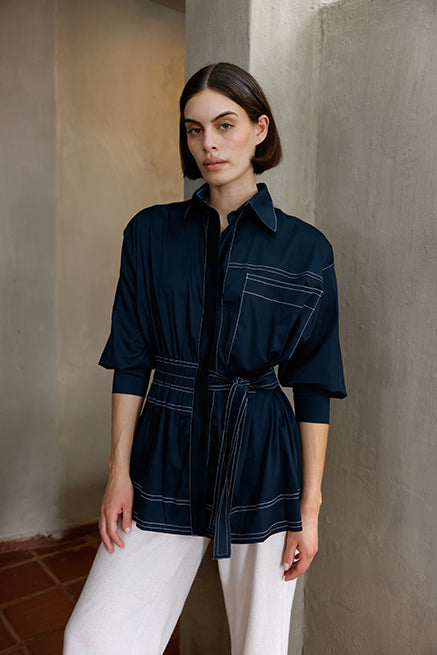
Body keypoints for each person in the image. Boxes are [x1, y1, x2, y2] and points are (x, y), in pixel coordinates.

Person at [63, 61, 347, 655]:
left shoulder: (306, 250)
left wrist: (310, 507)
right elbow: (131, 360)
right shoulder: (149, 234)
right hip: (163, 450)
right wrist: (119, 472)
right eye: (194, 130)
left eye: (225, 124)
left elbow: (314, 384)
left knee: (259, 644)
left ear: (259, 129)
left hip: (262, 457)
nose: (208, 144)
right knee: (94, 637)